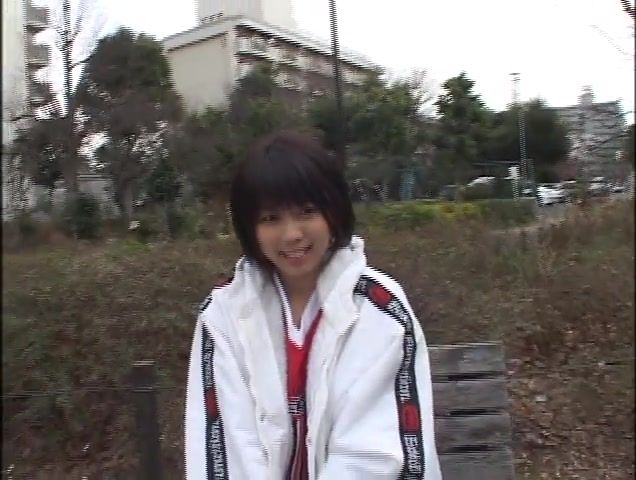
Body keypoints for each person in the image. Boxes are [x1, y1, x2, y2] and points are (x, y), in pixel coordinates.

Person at [185, 130, 442, 479]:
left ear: (334, 213)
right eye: (270, 218)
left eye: (307, 212)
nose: (292, 234)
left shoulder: (381, 309)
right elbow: (227, 453)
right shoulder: (223, 316)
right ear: (249, 229)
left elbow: (375, 455)